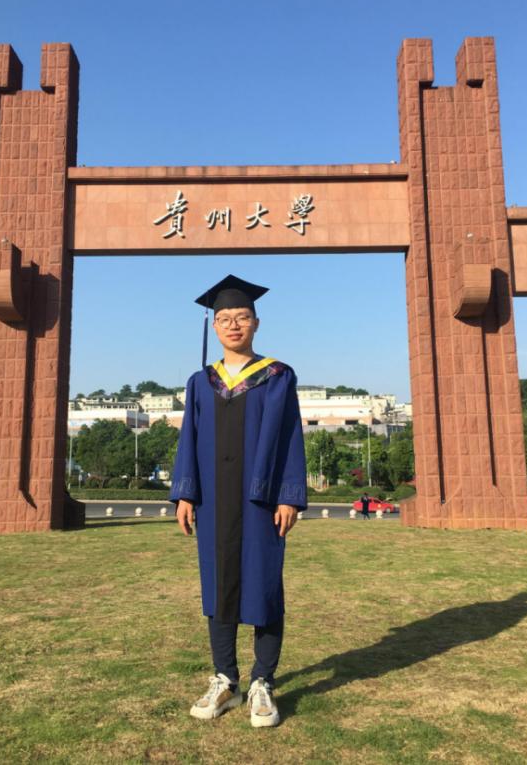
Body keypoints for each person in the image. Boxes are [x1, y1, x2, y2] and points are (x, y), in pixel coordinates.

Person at [169, 274, 307, 728]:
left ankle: (262, 681)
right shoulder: (200, 382)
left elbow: (290, 438)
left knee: (264, 587)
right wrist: (185, 493)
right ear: (214, 327)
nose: (233, 325)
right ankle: (225, 679)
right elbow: (188, 440)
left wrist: (288, 495)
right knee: (219, 584)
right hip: (212, 501)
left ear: (256, 323)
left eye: (242, 317)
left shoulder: (278, 377)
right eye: (225, 318)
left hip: (261, 500)